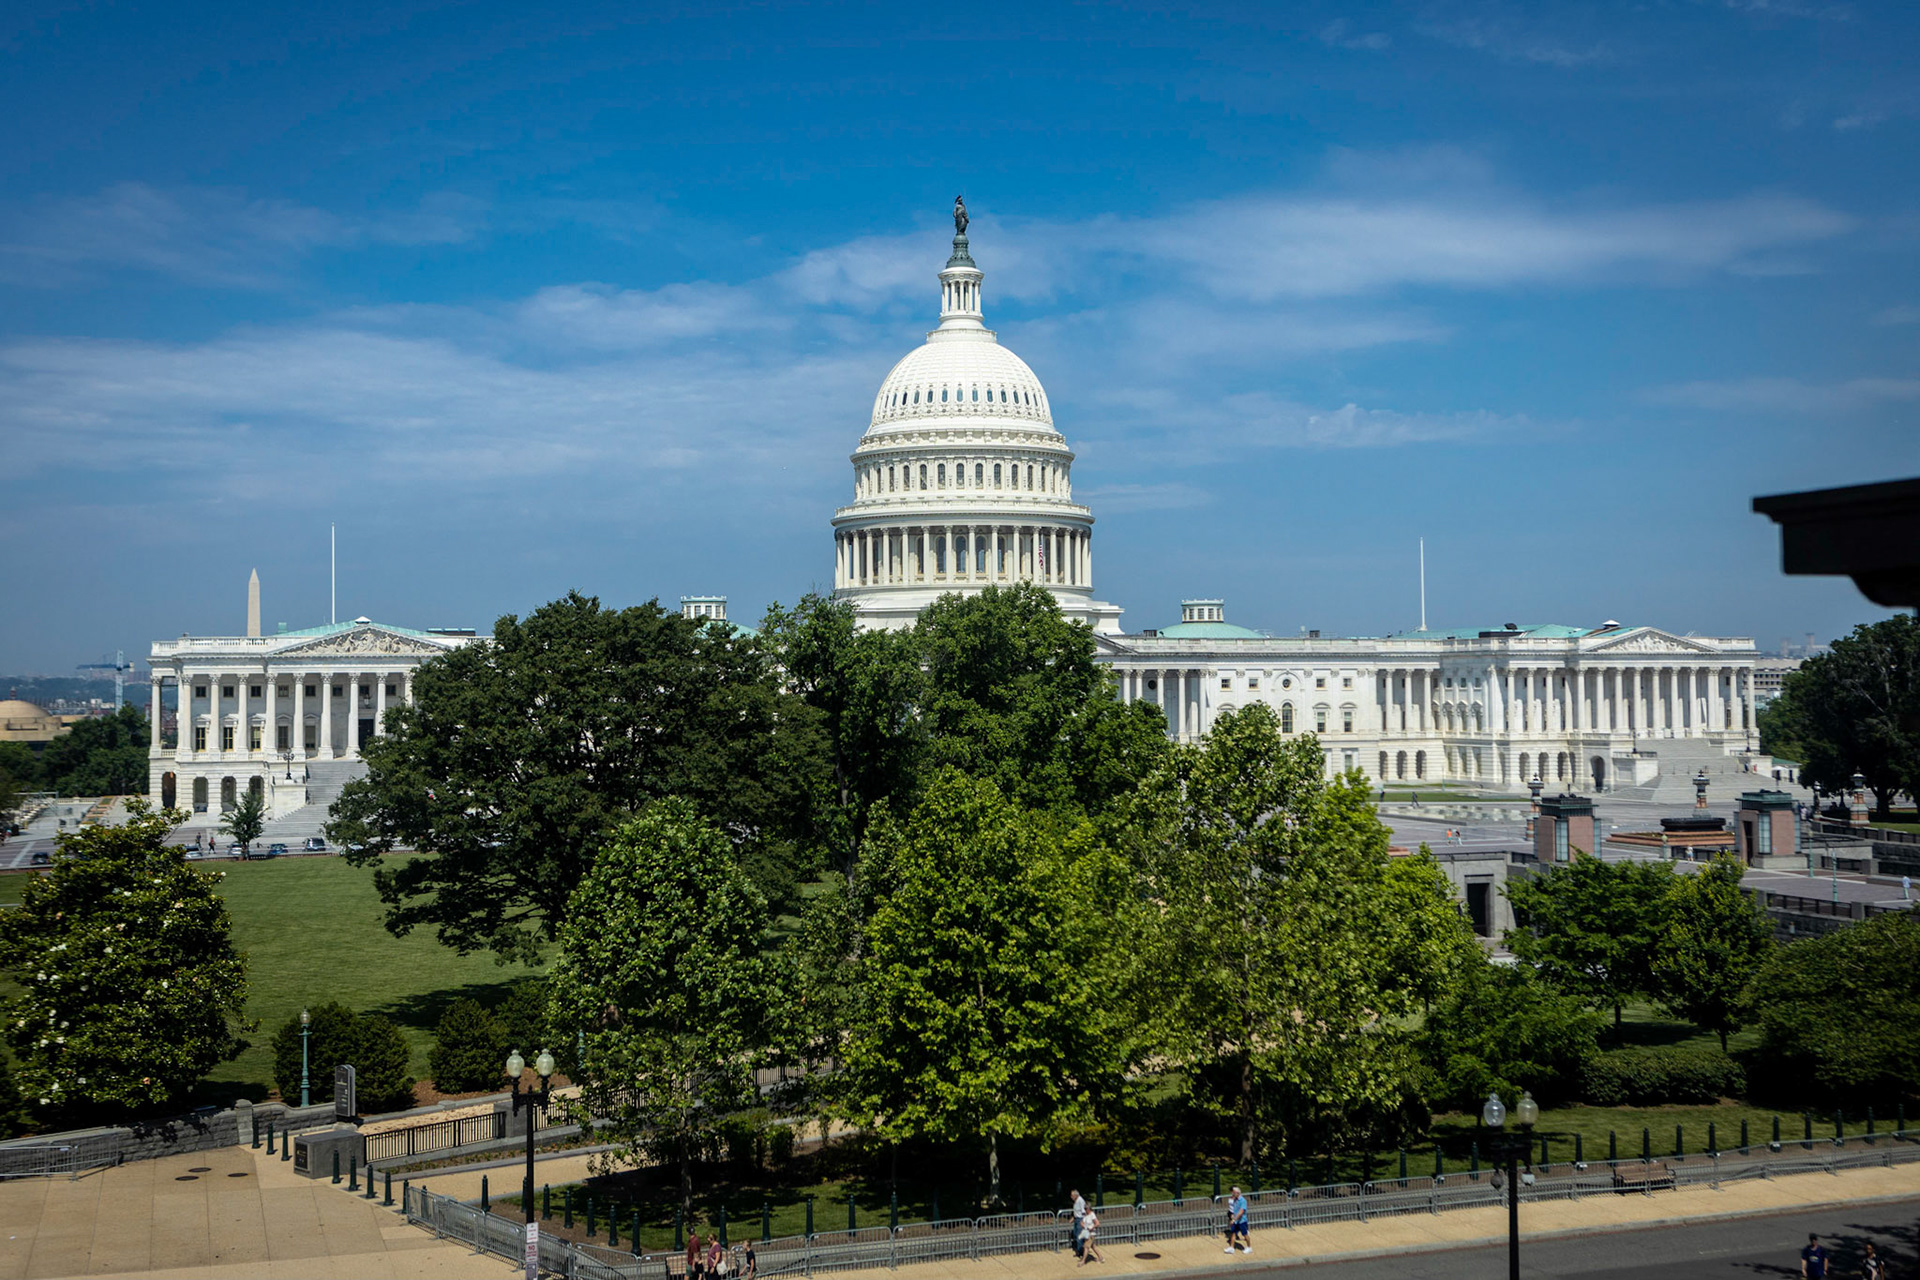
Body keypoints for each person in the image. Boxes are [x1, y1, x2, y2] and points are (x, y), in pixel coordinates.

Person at [1223, 1186, 1250, 1253]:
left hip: (1242, 1221)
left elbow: (1241, 1212)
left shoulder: (1243, 1201)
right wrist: (1232, 1216)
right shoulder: (1234, 1200)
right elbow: (1234, 1210)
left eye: (1234, 1193)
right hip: (1236, 1221)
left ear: (1237, 1193)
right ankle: (1232, 1248)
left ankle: (1249, 1247)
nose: (1233, 1194)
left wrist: (1234, 1219)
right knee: (1233, 1233)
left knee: (1245, 1234)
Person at [1069, 1188, 1088, 1257]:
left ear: (1076, 1195)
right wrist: (1073, 1218)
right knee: (1075, 1234)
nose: (1071, 1197)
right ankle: (1079, 1250)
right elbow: (1077, 1211)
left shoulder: (1080, 1201)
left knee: (1079, 1236)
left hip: (1080, 1219)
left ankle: (1081, 1252)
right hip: (1076, 1219)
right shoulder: (1076, 1201)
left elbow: (1083, 1212)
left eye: (1072, 1195)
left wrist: (1083, 1221)